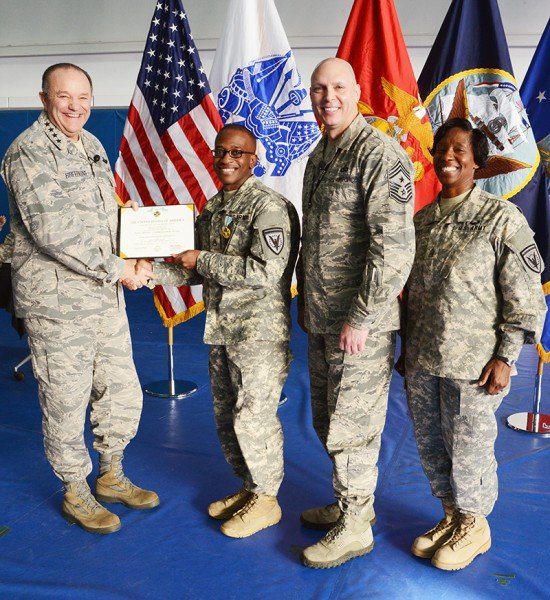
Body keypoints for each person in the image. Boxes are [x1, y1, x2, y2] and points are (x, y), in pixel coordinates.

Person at [1, 63, 159, 535]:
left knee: (120, 388)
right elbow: (55, 233)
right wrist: (120, 268)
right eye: (64, 96)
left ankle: (111, 473)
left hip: (103, 296)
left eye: (84, 97)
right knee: (65, 397)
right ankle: (75, 488)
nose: (76, 106)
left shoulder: (90, 145)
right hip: (57, 304)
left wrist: (137, 253)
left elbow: (108, 217)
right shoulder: (28, 151)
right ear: (44, 97)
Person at [398, 117, 547, 571]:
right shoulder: (421, 221)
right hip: (424, 358)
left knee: (468, 448)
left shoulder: (501, 218)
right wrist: (406, 349)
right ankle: (451, 515)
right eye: (442, 147)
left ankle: (475, 524)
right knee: (431, 445)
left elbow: (525, 296)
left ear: (478, 162)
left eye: (460, 150)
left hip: (474, 363)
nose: (448, 156)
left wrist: (506, 356)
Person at [143, 123, 300, 538]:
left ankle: (267, 499)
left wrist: (202, 259)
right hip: (223, 330)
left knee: (254, 417)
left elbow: (264, 272)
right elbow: (189, 267)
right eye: (221, 151)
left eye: (237, 152)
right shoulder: (214, 207)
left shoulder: (268, 207)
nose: (227, 159)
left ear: (253, 159)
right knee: (227, 417)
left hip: (257, 334)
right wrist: (145, 272)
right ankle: (250, 487)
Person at [296, 58, 416, 569]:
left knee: (353, 425)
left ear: (357, 91)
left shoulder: (379, 153)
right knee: (328, 419)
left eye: (339, 88)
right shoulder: (321, 153)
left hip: (358, 325)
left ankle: (356, 525)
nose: (329, 98)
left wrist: (362, 317)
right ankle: (350, 504)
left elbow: (394, 247)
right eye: (320, 89)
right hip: (323, 318)